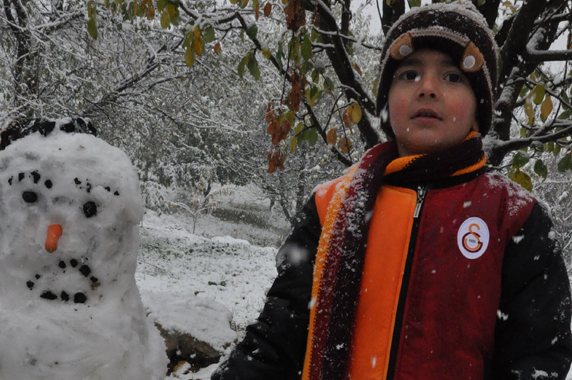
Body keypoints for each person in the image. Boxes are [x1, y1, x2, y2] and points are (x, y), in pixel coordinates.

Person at [211, 2, 572, 380]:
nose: (428, 89)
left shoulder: (514, 217)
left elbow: (537, 359)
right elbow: (276, 338)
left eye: (452, 77)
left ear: (479, 106)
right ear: (387, 100)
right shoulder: (330, 206)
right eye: (410, 74)